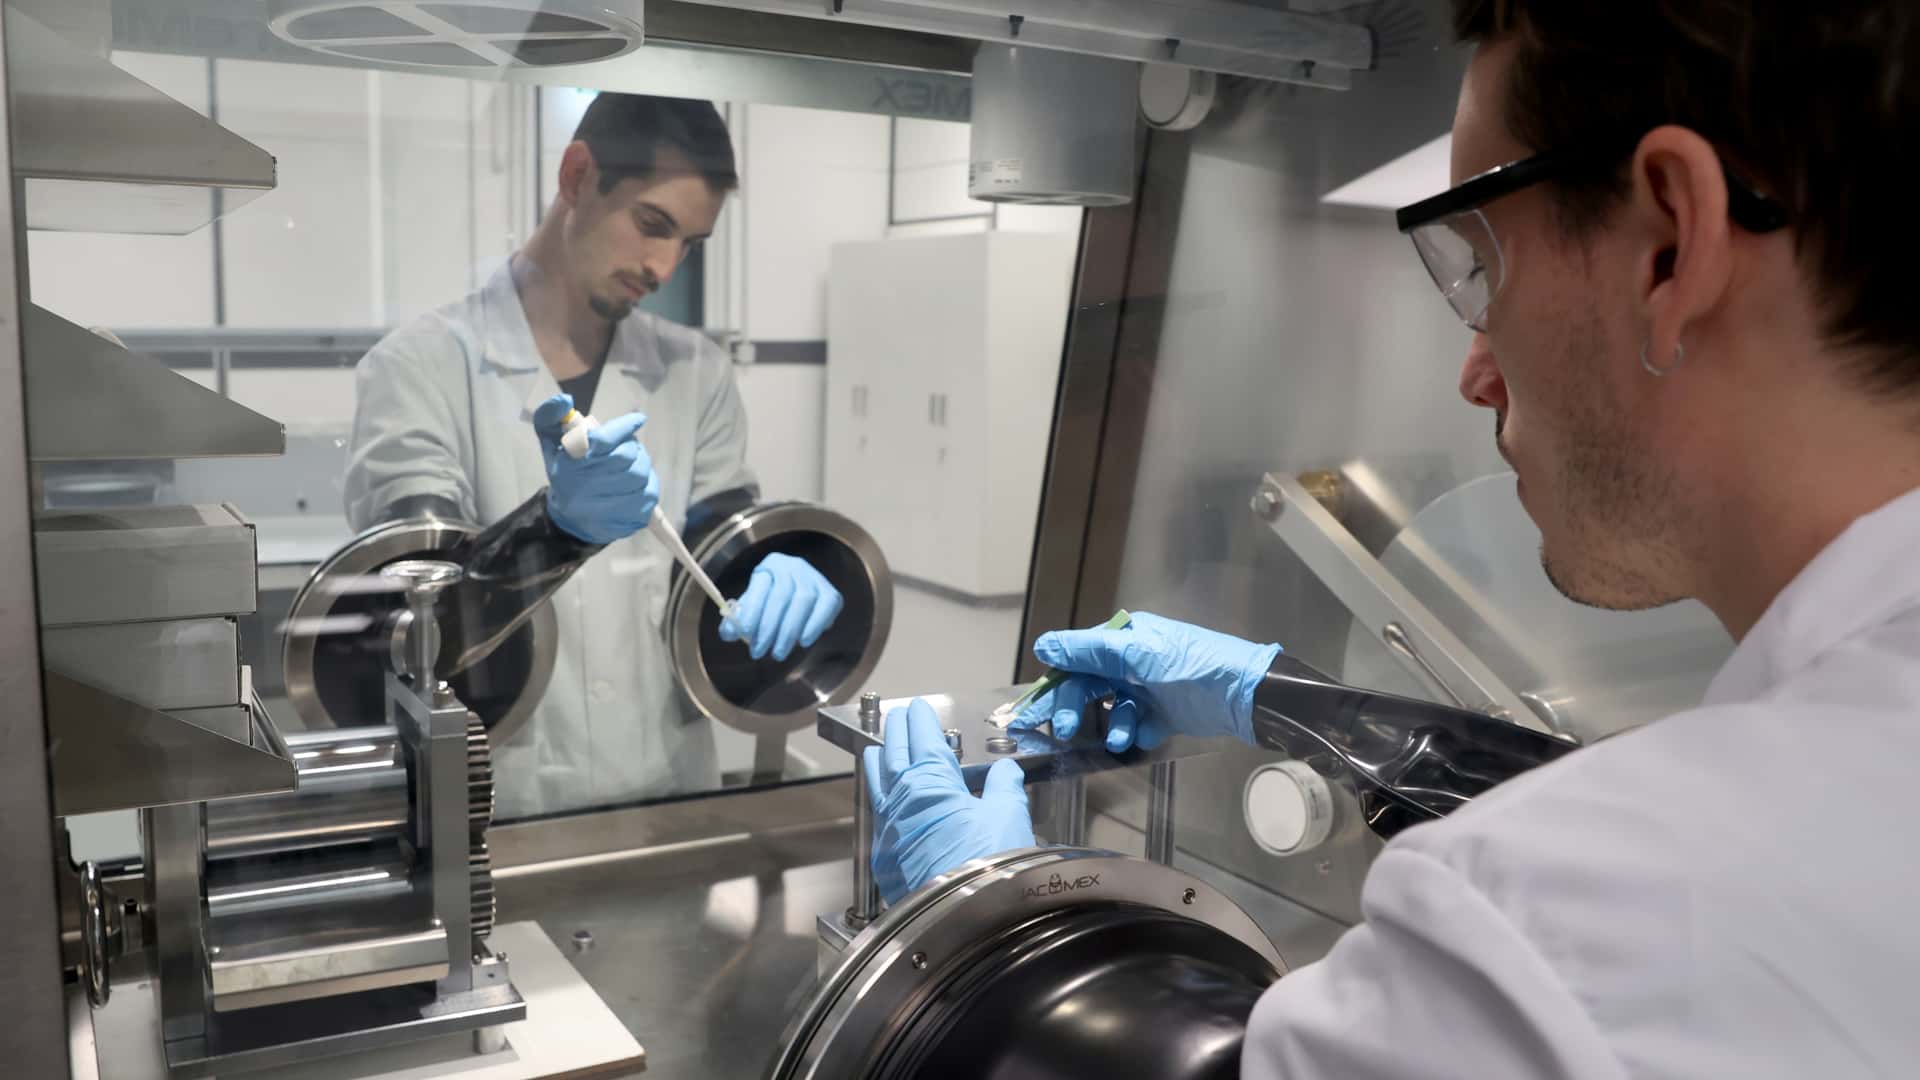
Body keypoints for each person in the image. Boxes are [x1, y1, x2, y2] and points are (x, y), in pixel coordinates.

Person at [865, 1, 1920, 1073]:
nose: (1475, 374)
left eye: (1479, 265)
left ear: (1670, 244)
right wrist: (1278, 698)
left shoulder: (1553, 932)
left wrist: (988, 921)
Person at [345, 94, 843, 817]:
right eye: (652, 224)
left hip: (670, 794)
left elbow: (718, 548)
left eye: (689, 243)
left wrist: (774, 570)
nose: (664, 266)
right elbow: (413, 623)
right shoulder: (418, 367)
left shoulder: (696, 371)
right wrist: (552, 532)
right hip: (495, 805)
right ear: (577, 175)